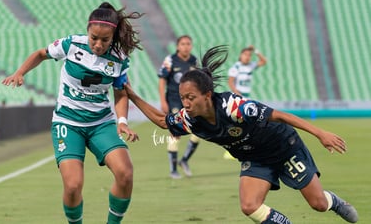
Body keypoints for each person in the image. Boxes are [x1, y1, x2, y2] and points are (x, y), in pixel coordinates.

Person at [124, 45, 358, 223]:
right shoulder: (189, 119)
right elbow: (161, 121)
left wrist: (320, 133)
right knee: (250, 206)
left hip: (283, 146)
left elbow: (281, 115)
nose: (185, 103)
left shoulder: (234, 107)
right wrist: (131, 94)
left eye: (190, 98)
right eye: (183, 98)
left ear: (207, 95)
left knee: (318, 204)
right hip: (255, 157)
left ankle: (333, 201)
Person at [2, 2, 143, 224]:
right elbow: (41, 53)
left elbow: (121, 93)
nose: (97, 44)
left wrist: (122, 122)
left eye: (104, 40)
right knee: (73, 185)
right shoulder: (71, 45)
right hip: (68, 123)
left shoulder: (120, 58)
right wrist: (20, 72)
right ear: (87, 31)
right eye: (93, 37)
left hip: (101, 124)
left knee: (125, 174)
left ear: (113, 36)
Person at [158, 35, 200, 179]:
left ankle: (184, 161)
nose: (186, 46)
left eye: (188, 44)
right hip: (174, 101)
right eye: (183, 44)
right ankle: (173, 170)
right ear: (177, 46)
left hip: (191, 102)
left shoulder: (194, 61)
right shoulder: (170, 60)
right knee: (175, 134)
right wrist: (163, 101)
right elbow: (162, 80)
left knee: (198, 131)